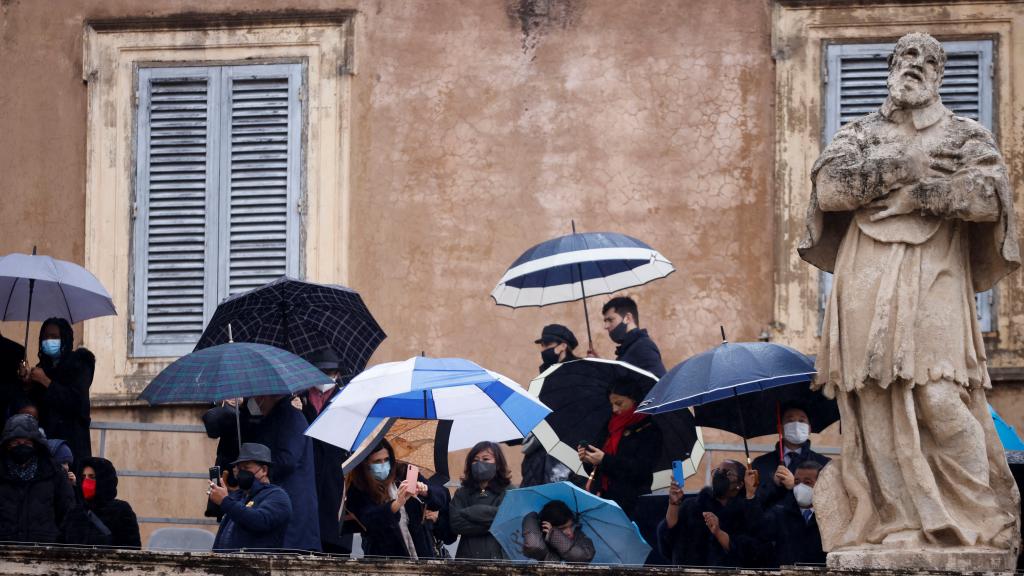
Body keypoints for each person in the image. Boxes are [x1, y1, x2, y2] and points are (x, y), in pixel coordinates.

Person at [801, 32, 1020, 551]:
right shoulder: (860, 133)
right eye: (905, 57)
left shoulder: (965, 135)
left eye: (926, 59)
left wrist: (923, 196)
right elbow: (830, 188)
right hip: (866, 279)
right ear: (892, 68)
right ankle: (896, 520)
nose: (914, 66)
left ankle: (982, 521)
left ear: (941, 74)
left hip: (934, 276)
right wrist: (906, 166)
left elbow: (990, 197)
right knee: (872, 397)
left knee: (940, 395)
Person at [344, 439, 447, 558]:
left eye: (386, 459)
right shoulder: (358, 487)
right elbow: (368, 520)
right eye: (377, 461)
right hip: (384, 559)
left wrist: (426, 491)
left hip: (421, 553)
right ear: (366, 463)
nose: (383, 464)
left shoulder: (404, 473)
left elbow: (440, 498)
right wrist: (397, 504)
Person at [243, 394, 320, 551]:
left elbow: (288, 459)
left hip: (292, 503)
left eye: (259, 397)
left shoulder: (291, 418)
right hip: (279, 502)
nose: (257, 401)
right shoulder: (275, 417)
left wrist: (261, 471)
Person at [657, 459, 769, 567]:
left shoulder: (747, 511)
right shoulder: (692, 506)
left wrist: (719, 533)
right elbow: (669, 540)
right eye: (717, 471)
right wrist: (673, 504)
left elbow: (755, 552)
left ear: (740, 484)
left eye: (728, 473)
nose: (719, 474)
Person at [578, 376, 661, 518]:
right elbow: (597, 471)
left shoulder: (649, 429)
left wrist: (604, 460)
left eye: (619, 403)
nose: (614, 409)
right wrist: (588, 459)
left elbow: (641, 469)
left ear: (634, 400)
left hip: (632, 505)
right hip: (604, 500)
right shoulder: (610, 425)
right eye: (612, 404)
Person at [296, 349, 352, 554]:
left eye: (331, 373)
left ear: (337, 374)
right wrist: (296, 411)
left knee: (333, 541)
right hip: (305, 474)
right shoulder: (298, 398)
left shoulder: (347, 400)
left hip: (335, 476)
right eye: (323, 372)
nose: (327, 377)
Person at [20, 318, 95, 467]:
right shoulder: (42, 367)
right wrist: (27, 384)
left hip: (72, 442)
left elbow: (77, 402)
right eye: (45, 337)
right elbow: (35, 405)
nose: (48, 341)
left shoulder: (79, 364)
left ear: (65, 338)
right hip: (46, 442)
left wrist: (46, 382)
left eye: (54, 337)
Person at [0, 414, 75, 544]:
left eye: (27, 443)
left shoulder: (55, 473)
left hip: (45, 554)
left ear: (36, 445)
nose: (21, 446)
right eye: (16, 443)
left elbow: (68, 514)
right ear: (7, 445)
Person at [521, 324, 580, 487]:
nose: (543, 349)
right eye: (542, 345)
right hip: (538, 458)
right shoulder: (544, 377)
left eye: (547, 344)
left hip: (564, 460)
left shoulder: (578, 375)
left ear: (563, 346)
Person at [209, 442, 292, 553]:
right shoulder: (240, 496)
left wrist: (225, 501)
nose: (242, 472)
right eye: (239, 468)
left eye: (247, 468)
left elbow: (259, 521)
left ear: (264, 470)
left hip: (257, 566)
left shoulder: (277, 496)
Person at [751, 404, 830, 509]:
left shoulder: (824, 464)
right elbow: (756, 502)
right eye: (790, 421)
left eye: (801, 421)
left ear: (809, 429)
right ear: (780, 428)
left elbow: (827, 502)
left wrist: (795, 486)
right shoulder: (761, 463)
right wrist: (774, 484)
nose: (796, 425)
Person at [449, 441, 512, 559]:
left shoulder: (509, 492)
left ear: (498, 463)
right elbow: (456, 524)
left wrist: (471, 512)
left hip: (500, 559)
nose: (480, 463)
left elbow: (509, 520)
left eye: (486, 459)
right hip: (467, 560)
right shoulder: (462, 493)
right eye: (476, 460)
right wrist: (494, 521)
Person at [63, 457, 141, 548]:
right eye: (83, 477)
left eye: (92, 477)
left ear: (104, 480)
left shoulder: (121, 511)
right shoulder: (75, 512)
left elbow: (131, 550)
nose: (86, 481)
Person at [768, 461, 825, 566]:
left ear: (822, 485)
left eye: (807, 482)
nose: (800, 487)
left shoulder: (831, 516)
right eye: (797, 482)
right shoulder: (781, 513)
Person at [600, 297, 665, 377]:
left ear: (627, 318)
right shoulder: (627, 349)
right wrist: (597, 363)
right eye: (605, 321)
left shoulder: (643, 347)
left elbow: (658, 384)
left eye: (610, 320)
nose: (606, 326)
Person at [522, 500, 596, 563]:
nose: (570, 532)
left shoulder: (578, 535)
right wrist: (553, 535)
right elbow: (535, 547)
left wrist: (555, 537)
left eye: (571, 526)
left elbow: (585, 556)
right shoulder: (540, 541)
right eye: (562, 528)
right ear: (546, 527)